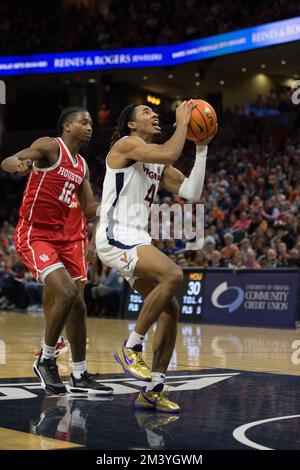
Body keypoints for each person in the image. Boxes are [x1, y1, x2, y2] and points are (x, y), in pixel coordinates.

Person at [96, 101, 216, 412]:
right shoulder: (127, 144)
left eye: (154, 113)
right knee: (174, 275)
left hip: (136, 238)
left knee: (170, 310)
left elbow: (191, 193)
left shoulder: (155, 163)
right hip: (115, 234)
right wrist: (182, 124)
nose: (154, 115)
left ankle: (153, 388)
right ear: (132, 125)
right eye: (146, 112)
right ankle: (131, 346)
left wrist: (201, 148)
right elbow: (168, 153)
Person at [1, 106, 113, 396]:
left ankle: (80, 373)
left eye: (90, 123)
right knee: (65, 293)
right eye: (84, 122)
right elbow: (8, 159)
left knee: (78, 304)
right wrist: (18, 165)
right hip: (35, 233)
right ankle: (46, 358)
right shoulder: (50, 146)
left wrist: (111, 207)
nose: (89, 127)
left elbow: (88, 208)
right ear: (67, 126)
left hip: (64, 238)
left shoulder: (82, 165)